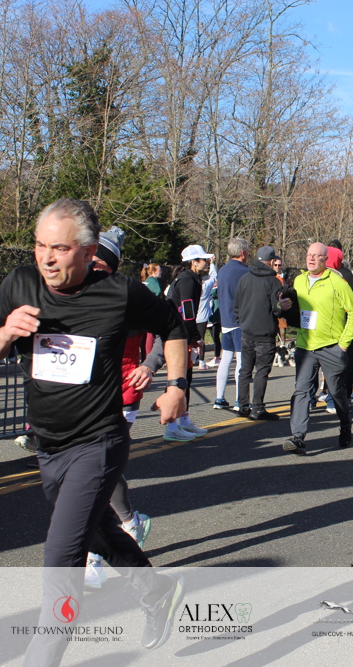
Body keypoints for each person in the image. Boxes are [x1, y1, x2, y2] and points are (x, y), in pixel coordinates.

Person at [0, 198, 188, 662]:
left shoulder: (119, 292)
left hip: (99, 441)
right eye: (39, 245)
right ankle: (157, 591)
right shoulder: (22, 282)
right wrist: (6, 331)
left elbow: (173, 326)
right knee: (97, 532)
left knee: (61, 556)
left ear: (89, 252)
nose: (46, 258)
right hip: (49, 444)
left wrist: (176, 385)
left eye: (59, 248)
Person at [85, 226, 154, 588]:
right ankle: (129, 520)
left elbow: (169, 329)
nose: (90, 266)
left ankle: (94, 557)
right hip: (83, 397)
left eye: (98, 262)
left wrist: (151, 365)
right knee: (97, 473)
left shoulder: (128, 295)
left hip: (122, 393)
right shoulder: (74, 293)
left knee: (96, 474)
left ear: (110, 266)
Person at [281, 242, 353, 454]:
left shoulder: (337, 282)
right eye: (309, 255)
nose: (311, 259)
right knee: (302, 390)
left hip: (331, 347)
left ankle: (345, 424)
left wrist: (343, 344)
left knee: (336, 391)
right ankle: (297, 437)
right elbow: (294, 311)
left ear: (325, 259)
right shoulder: (299, 280)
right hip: (305, 345)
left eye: (316, 256)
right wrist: (284, 307)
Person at [234, 245, 287, 420]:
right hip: (265, 333)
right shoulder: (273, 282)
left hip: (247, 331)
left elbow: (237, 305)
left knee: (245, 370)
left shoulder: (244, 279)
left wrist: (242, 321)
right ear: (271, 262)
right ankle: (257, 408)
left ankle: (242, 405)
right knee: (261, 372)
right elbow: (277, 309)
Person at [164, 245, 211, 440]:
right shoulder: (186, 280)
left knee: (186, 378)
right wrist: (195, 336)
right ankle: (171, 426)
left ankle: (184, 421)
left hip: (181, 334)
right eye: (203, 259)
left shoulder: (191, 278)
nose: (207, 262)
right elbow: (188, 311)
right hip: (177, 335)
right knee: (178, 379)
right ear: (194, 262)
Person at [214, 237, 250, 409]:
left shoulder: (222, 270)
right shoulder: (245, 272)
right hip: (240, 321)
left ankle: (219, 398)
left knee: (226, 359)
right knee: (241, 362)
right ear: (242, 253)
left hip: (225, 320)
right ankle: (239, 400)